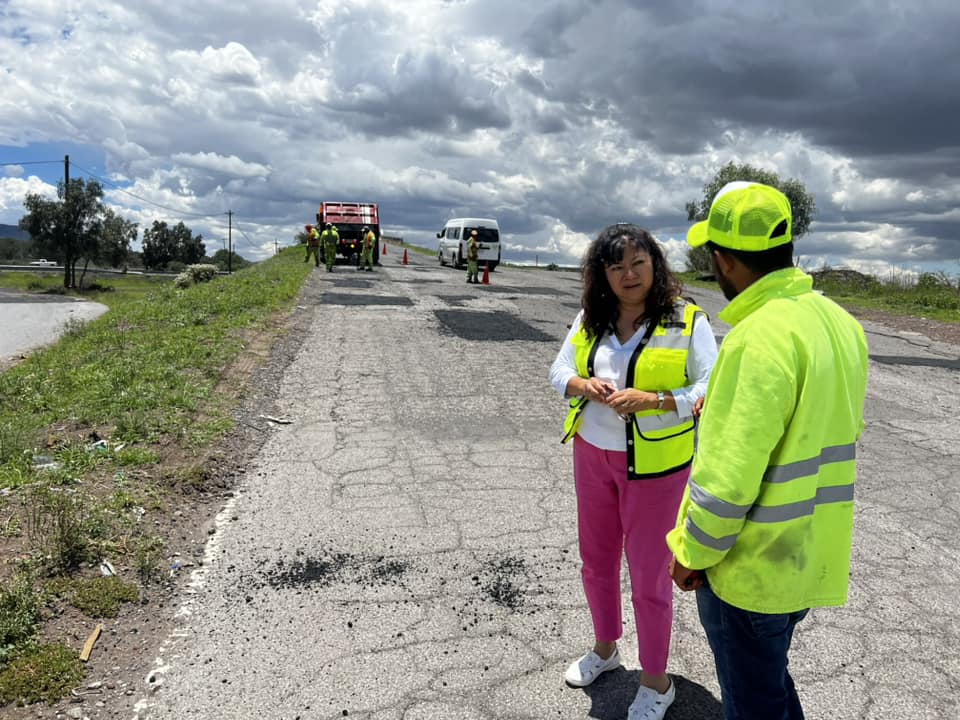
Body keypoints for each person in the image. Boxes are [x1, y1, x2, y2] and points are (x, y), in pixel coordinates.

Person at [666, 182, 869, 720]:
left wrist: (692, 553)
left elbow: (727, 482)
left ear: (725, 261)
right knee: (769, 684)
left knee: (753, 701)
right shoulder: (840, 324)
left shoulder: (756, 339)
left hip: (750, 573)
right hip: (808, 558)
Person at [550, 223, 718, 720]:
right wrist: (582, 385)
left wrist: (657, 400)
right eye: (616, 265)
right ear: (602, 272)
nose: (628, 274)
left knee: (649, 577)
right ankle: (606, 649)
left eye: (637, 263)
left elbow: (711, 389)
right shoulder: (591, 317)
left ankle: (656, 681)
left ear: (655, 266)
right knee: (596, 562)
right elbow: (558, 372)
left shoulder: (687, 320)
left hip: (657, 469)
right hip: (592, 453)